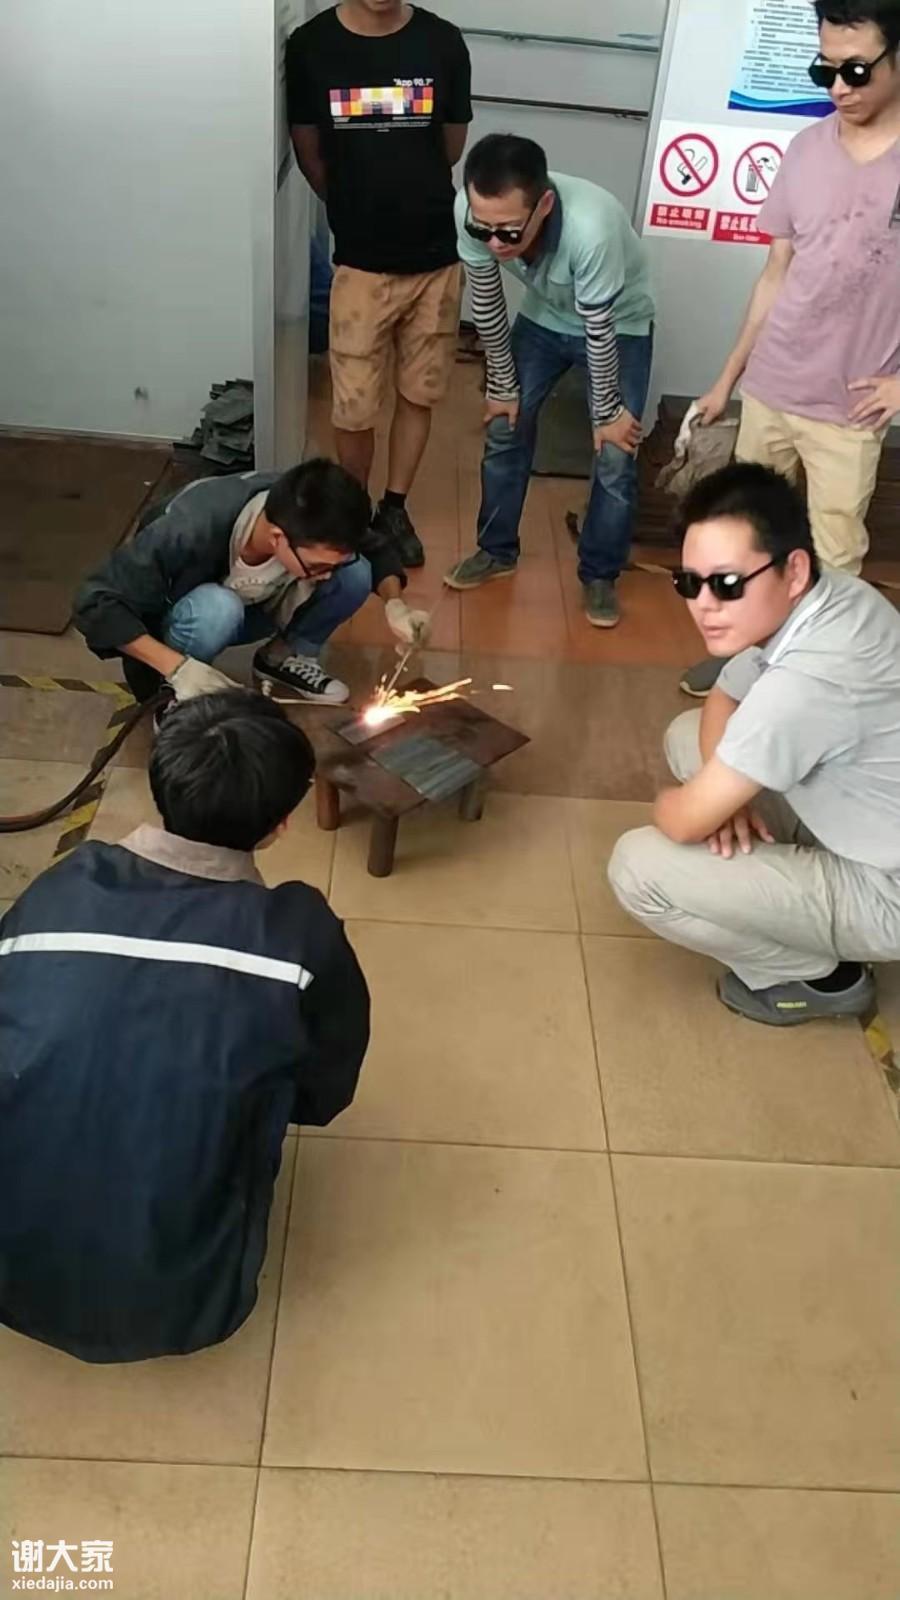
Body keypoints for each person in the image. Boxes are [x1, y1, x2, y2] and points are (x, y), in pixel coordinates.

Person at [0, 690, 370, 1361]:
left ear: (161, 783)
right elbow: (322, 1095)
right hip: (187, 1307)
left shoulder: (58, 889)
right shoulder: (298, 937)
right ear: (281, 824)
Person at [608, 462, 900, 1027]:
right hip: (866, 821)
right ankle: (789, 875)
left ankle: (821, 978)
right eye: (688, 583)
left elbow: (683, 822)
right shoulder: (832, 595)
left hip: (887, 889)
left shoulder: (809, 681)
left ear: (793, 570)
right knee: (688, 736)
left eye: (727, 584)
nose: (704, 605)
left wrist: (691, 803)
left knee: (637, 869)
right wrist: (726, 800)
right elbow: (723, 695)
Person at [682, 0, 900, 697]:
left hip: (849, 408)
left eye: (856, 70)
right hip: (771, 386)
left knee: (834, 556)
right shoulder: (806, 150)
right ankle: (743, 661)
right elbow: (776, 274)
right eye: (823, 70)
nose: (838, 87)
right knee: (748, 542)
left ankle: (816, 682)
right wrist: (727, 379)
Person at [286, 0, 472, 569]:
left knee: (419, 392)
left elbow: (450, 147)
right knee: (354, 406)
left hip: (434, 257)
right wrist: (354, 206)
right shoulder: (312, 46)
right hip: (360, 264)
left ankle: (394, 508)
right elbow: (309, 151)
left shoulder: (442, 41)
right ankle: (355, 510)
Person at [443, 133, 655, 629]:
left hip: (618, 324)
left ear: (544, 206)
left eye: (509, 232)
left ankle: (599, 574)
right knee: (505, 425)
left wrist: (608, 413)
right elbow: (487, 302)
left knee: (615, 451)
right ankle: (496, 551)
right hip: (543, 318)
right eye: (482, 229)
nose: (495, 243)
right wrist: (502, 386)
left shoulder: (591, 227)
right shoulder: (470, 211)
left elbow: (598, 327)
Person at [73, 459, 431, 711]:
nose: (325, 575)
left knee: (355, 572)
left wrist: (395, 604)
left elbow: (375, 548)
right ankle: (176, 694)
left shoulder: (314, 517)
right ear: (277, 537)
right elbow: (95, 602)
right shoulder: (190, 527)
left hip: (254, 606)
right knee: (218, 607)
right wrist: (176, 668)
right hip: (193, 617)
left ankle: (282, 657)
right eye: (317, 566)